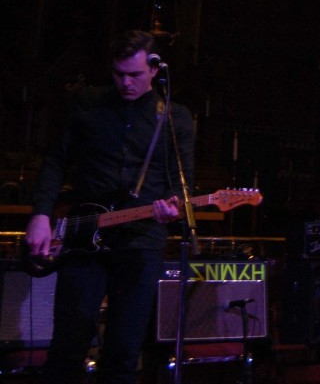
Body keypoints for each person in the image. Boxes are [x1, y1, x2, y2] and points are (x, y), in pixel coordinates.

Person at [24, 30, 195, 384]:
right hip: (85, 233)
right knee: (68, 342)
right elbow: (55, 160)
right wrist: (41, 214)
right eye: (118, 74)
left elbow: (182, 181)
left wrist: (173, 209)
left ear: (154, 70)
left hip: (141, 240)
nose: (125, 83)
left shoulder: (175, 118)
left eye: (134, 75)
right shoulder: (87, 104)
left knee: (124, 349)